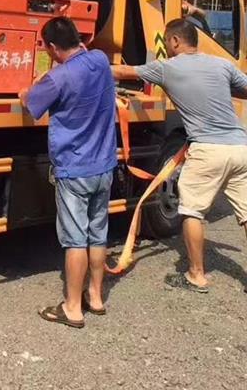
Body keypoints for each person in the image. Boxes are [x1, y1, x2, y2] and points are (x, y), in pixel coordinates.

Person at [112, 17, 247, 292]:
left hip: (207, 150)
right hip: (240, 147)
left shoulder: (166, 68)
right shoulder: (221, 65)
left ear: (174, 41)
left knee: (191, 211)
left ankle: (196, 275)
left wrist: (87, 62)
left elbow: (124, 72)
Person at [19, 17, 118, 328]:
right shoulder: (100, 61)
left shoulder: (58, 79)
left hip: (75, 170)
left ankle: (72, 308)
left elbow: (30, 104)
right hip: (104, 165)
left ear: (51, 47)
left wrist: (28, 88)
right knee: (97, 234)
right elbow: (86, 55)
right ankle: (96, 297)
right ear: (78, 37)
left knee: (75, 239)